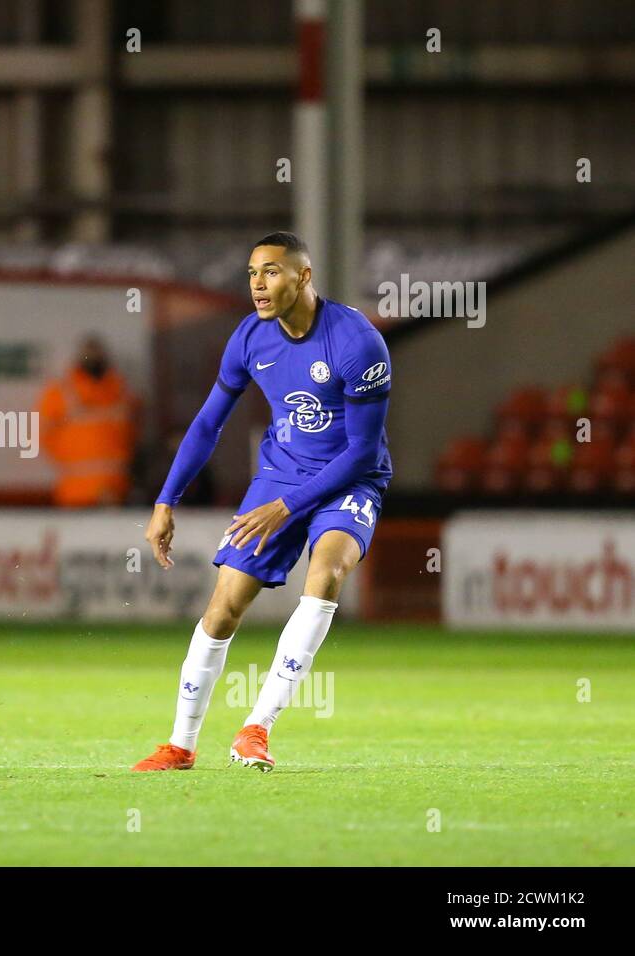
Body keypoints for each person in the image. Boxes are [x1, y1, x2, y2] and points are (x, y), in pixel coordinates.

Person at [132, 232, 392, 772]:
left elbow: (363, 449)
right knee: (224, 606)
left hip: (349, 479)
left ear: (303, 275)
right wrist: (165, 499)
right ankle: (180, 746)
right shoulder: (250, 338)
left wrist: (289, 505)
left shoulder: (357, 342)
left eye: (271, 271)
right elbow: (208, 423)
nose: (258, 284)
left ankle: (256, 729)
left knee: (326, 574)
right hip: (279, 478)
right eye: (252, 273)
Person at [37, 336, 139, 507]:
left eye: (97, 354)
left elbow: (134, 433)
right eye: (89, 354)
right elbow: (44, 434)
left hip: (117, 492)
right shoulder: (60, 392)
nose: (94, 359)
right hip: (76, 494)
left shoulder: (122, 391)